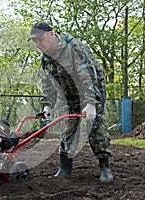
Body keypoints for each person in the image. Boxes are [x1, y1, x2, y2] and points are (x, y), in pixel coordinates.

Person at [27, 22, 113, 183]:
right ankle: (64, 168)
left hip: (92, 91)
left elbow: (88, 75)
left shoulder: (74, 48)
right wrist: (47, 105)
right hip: (68, 96)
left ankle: (104, 167)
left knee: (96, 127)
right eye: (35, 41)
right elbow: (47, 83)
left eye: (41, 39)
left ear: (52, 34)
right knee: (67, 128)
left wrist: (91, 103)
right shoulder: (46, 58)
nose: (38, 44)